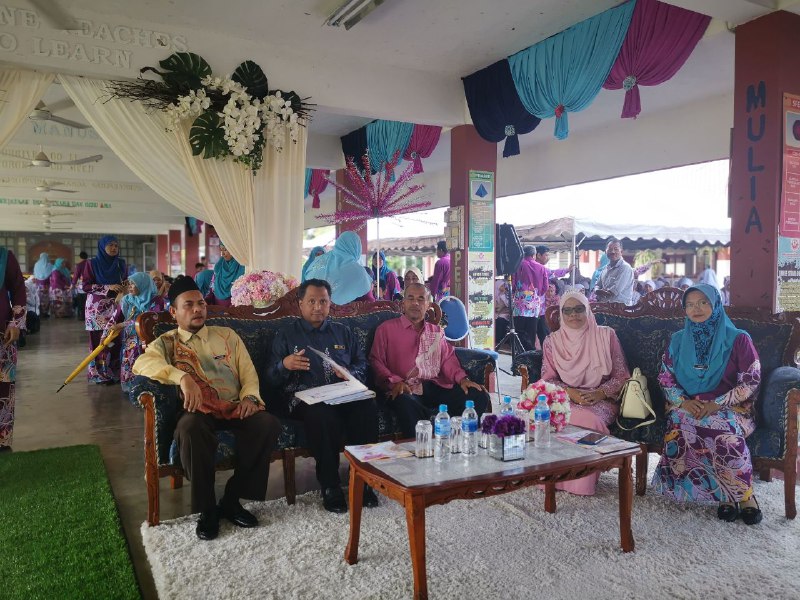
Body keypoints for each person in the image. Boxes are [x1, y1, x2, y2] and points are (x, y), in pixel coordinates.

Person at [133, 276, 280, 540]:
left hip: (234, 407)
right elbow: (141, 364)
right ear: (173, 312)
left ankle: (232, 500)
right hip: (197, 411)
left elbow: (248, 373)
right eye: (188, 305)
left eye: (200, 303)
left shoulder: (227, 335)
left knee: (267, 423)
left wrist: (249, 398)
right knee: (190, 429)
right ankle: (207, 508)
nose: (197, 309)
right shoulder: (166, 342)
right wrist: (182, 377)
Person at [653, 284, 762, 525]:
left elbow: (751, 380)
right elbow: (665, 377)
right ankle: (723, 494)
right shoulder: (678, 340)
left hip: (731, 407)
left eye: (703, 302)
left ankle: (744, 495)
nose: (697, 308)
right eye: (690, 304)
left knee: (722, 429)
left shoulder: (739, 339)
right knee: (681, 421)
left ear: (715, 305)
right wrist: (683, 402)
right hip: (688, 405)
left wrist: (717, 404)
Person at [267, 279, 379, 513]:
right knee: (321, 414)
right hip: (303, 399)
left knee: (367, 405)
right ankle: (330, 486)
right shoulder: (286, 334)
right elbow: (269, 378)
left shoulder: (343, 332)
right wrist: (285, 365)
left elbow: (362, 364)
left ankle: (363, 479)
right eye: (312, 301)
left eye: (323, 301)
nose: (318, 307)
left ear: (330, 304)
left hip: (341, 394)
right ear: (300, 304)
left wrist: (350, 372)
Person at [370, 282, 490, 439]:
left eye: (421, 299)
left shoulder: (436, 331)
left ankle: (457, 441)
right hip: (404, 388)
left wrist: (462, 379)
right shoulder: (386, 329)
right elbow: (376, 361)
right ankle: (421, 448)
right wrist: (395, 382)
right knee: (405, 401)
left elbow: (447, 359)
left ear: (428, 305)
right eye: (410, 298)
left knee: (478, 395)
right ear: (403, 303)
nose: (415, 303)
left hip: (435, 386)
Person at [541, 289, 630, 495]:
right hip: (566, 396)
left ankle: (581, 482)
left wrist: (600, 393)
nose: (573, 314)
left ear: (588, 310)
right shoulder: (552, 342)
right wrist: (570, 392)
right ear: (561, 314)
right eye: (567, 310)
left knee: (588, 418)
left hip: (601, 398)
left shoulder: (606, 335)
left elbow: (621, 376)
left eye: (579, 309)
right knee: (545, 415)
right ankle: (553, 477)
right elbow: (548, 380)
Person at [74, 235, 127, 384]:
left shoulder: (121, 263)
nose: (114, 248)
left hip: (116, 305)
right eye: (110, 245)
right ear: (102, 247)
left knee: (115, 339)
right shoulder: (92, 264)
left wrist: (125, 287)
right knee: (98, 341)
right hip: (96, 309)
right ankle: (98, 374)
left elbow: (126, 281)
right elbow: (85, 286)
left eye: (116, 245)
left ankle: (114, 372)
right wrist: (107, 287)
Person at [103, 272, 167, 394]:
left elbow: (149, 320)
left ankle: (145, 389)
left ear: (143, 284)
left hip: (148, 340)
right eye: (129, 284)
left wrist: (123, 324)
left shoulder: (156, 300)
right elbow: (114, 319)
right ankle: (131, 387)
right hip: (130, 339)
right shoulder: (127, 300)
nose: (130, 286)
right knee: (129, 360)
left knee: (145, 361)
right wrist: (105, 335)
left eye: (133, 284)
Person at [0, 247, 27, 450]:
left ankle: (1, 438)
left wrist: (16, 322)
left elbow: (18, 289)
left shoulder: (3, 257)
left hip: (2, 332)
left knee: (3, 384)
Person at [304, 231, 372, 304]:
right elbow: (369, 299)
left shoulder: (319, 260)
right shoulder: (358, 272)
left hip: (310, 305)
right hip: (339, 310)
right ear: (357, 247)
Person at [511, 245, 548, 351]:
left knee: (519, 330)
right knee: (531, 330)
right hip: (534, 304)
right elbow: (545, 287)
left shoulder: (518, 265)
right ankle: (529, 353)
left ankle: (519, 354)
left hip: (520, 303)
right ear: (534, 255)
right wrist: (536, 294)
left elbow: (513, 284)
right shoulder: (542, 268)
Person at [593, 239, 634, 305]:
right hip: (606, 308)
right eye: (610, 249)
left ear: (621, 251)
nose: (612, 252)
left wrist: (599, 291)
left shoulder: (625, 268)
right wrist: (597, 290)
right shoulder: (605, 268)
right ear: (605, 252)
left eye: (616, 249)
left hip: (621, 310)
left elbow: (614, 291)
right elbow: (597, 285)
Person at [206, 243, 245, 307]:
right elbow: (212, 289)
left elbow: (243, 292)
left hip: (234, 310)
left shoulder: (241, 267)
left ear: (233, 250)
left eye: (225, 250)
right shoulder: (218, 266)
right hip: (216, 309)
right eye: (221, 250)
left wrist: (232, 309)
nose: (222, 254)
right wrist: (205, 300)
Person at [32, 252, 53, 318]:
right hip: (47, 285)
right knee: (46, 299)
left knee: (39, 298)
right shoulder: (50, 265)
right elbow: (52, 275)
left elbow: (34, 274)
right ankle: (45, 312)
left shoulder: (36, 264)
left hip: (38, 285)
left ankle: (39, 312)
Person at [72, 251, 89, 321]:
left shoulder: (79, 265)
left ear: (80, 257)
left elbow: (76, 276)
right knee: (88, 301)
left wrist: (73, 284)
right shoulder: (90, 264)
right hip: (90, 285)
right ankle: (88, 315)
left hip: (82, 286)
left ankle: (82, 316)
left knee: (81, 302)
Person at [494, 277, 511, 344]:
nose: (504, 287)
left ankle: (500, 340)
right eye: (502, 286)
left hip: (505, 314)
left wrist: (503, 295)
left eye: (504, 286)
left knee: (500, 320)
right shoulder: (495, 294)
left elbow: (508, 304)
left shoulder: (506, 294)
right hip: (496, 313)